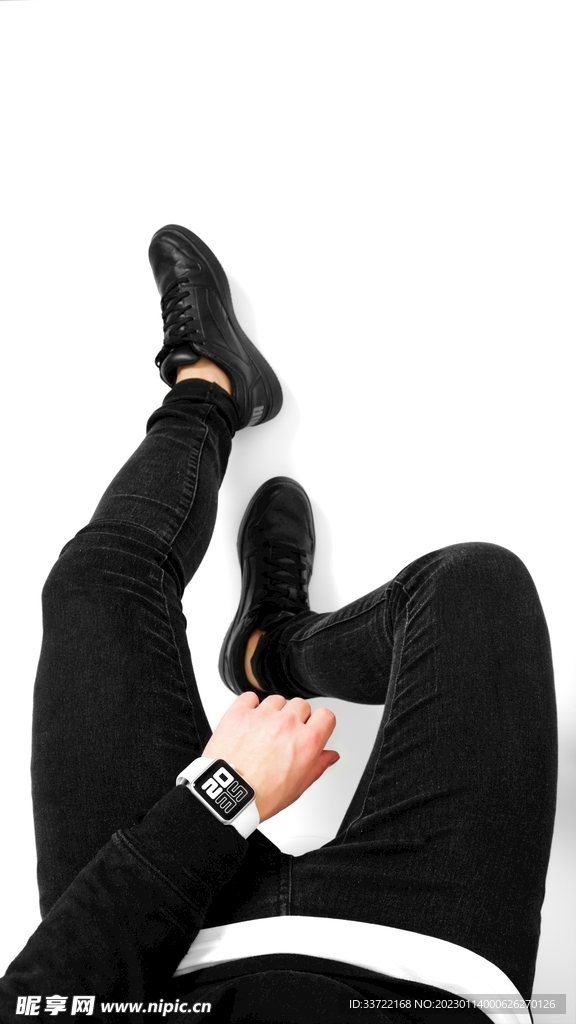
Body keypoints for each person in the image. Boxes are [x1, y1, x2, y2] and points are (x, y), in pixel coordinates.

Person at [0, 226, 557, 1024]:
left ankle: (211, 385)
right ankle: (272, 651)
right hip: (423, 964)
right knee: (477, 586)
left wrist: (221, 795)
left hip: (157, 973)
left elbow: (31, 1006)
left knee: (94, 587)